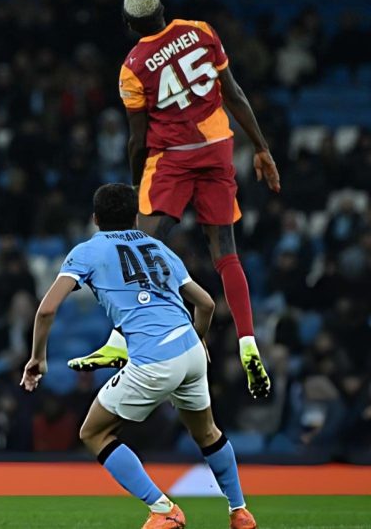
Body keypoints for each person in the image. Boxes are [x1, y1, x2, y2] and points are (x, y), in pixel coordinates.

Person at [69, 0, 282, 399]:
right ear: (164, 11)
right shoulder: (200, 31)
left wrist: (135, 187)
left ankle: (119, 338)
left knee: (139, 246)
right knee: (226, 252)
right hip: (218, 148)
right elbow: (234, 93)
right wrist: (261, 147)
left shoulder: (132, 67)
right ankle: (248, 341)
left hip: (172, 158)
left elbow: (137, 140)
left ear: (130, 26)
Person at [23, 184, 257, 529]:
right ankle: (239, 511)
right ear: (135, 217)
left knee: (93, 434)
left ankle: (164, 510)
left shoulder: (87, 251)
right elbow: (206, 302)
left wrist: (37, 359)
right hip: (190, 348)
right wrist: (200, 338)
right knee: (207, 433)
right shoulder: (160, 248)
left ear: (95, 219)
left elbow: (46, 311)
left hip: (154, 356)